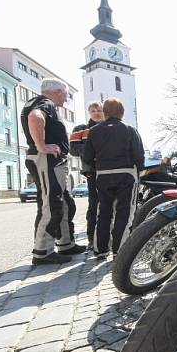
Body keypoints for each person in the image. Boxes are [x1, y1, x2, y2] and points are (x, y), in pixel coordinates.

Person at [21, 79, 86, 264]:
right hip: (46, 160)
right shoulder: (43, 103)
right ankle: (42, 251)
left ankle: (65, 244)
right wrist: (41, 146)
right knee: (50, 203)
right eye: (66, 94)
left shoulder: (41, 103)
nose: (66, 98)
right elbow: (35, 117)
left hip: (53, 161)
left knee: (65, 202)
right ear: (57, 92)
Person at [83, 98, 145, 259]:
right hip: (126, 174)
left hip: (103, 175)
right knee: (124, 212)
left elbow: (87, 157)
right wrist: (139, 171)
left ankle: (100, 249)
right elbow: (139, 155)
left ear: (105, 112)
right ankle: (119, 249)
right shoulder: (130, 130)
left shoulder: (94, 131)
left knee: (103, 212)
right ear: (121, 112)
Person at [69, 102, 105, 250]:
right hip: (92, 171)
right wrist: (93, 149)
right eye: (93, 110)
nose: (96, 113)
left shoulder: (109, 127)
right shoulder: (81, 129)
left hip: (110, 170)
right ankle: (91, 238)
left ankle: (107, 238)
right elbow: (73, 149)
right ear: (89, 112)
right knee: (94, 205)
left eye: (99, 110)